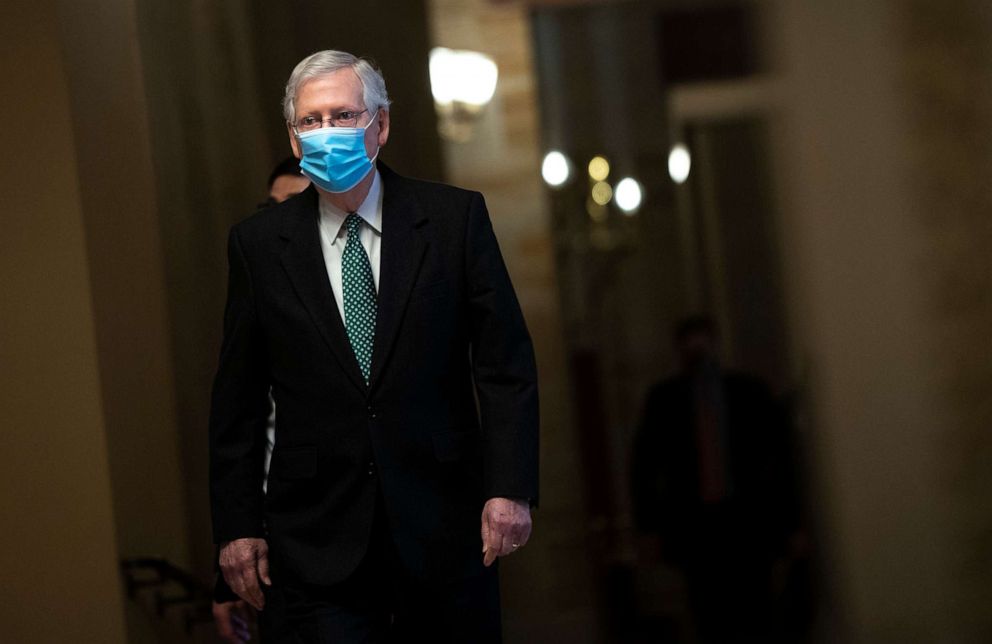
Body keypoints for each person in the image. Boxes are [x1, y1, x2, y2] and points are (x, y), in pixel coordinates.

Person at [209, 50, 539, 643]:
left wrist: (509, 487)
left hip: (442, 524)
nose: (327, 132)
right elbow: (238, 399)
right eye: (311, 121)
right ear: (292, 133)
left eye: (343, 115)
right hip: (314, 537)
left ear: (380, 125)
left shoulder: (451, 219)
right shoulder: (258, 247)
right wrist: (236, 528)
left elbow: (503, 364)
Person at [631, 316, 800, 643]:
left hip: (747, 519)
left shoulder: (748, 391)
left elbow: (780, 461)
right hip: (697, 526)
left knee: (758, 612)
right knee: (710, 616)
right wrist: (648, 528)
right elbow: (644, 466)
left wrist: (791, 523)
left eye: (702, 342)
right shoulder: (665, 399)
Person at [211, 157, 309, 643]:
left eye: (293, 208)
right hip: (278, 551)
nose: (278, 223)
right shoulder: (256, 287)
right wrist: (229, 563)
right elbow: (239, 426)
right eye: (270, 208)